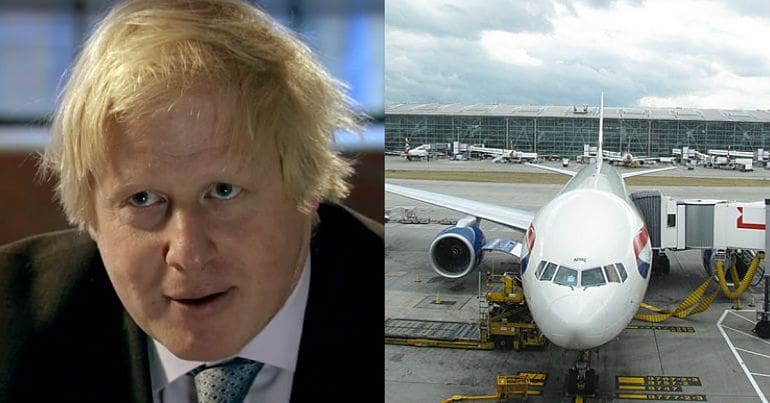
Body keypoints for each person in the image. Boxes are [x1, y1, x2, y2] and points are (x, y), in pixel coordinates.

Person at [0, 1, 382, 402]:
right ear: (91, 217)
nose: (189, 254)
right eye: (143, 199)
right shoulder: (12, 326)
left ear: (308, 188)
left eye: (223, 191)